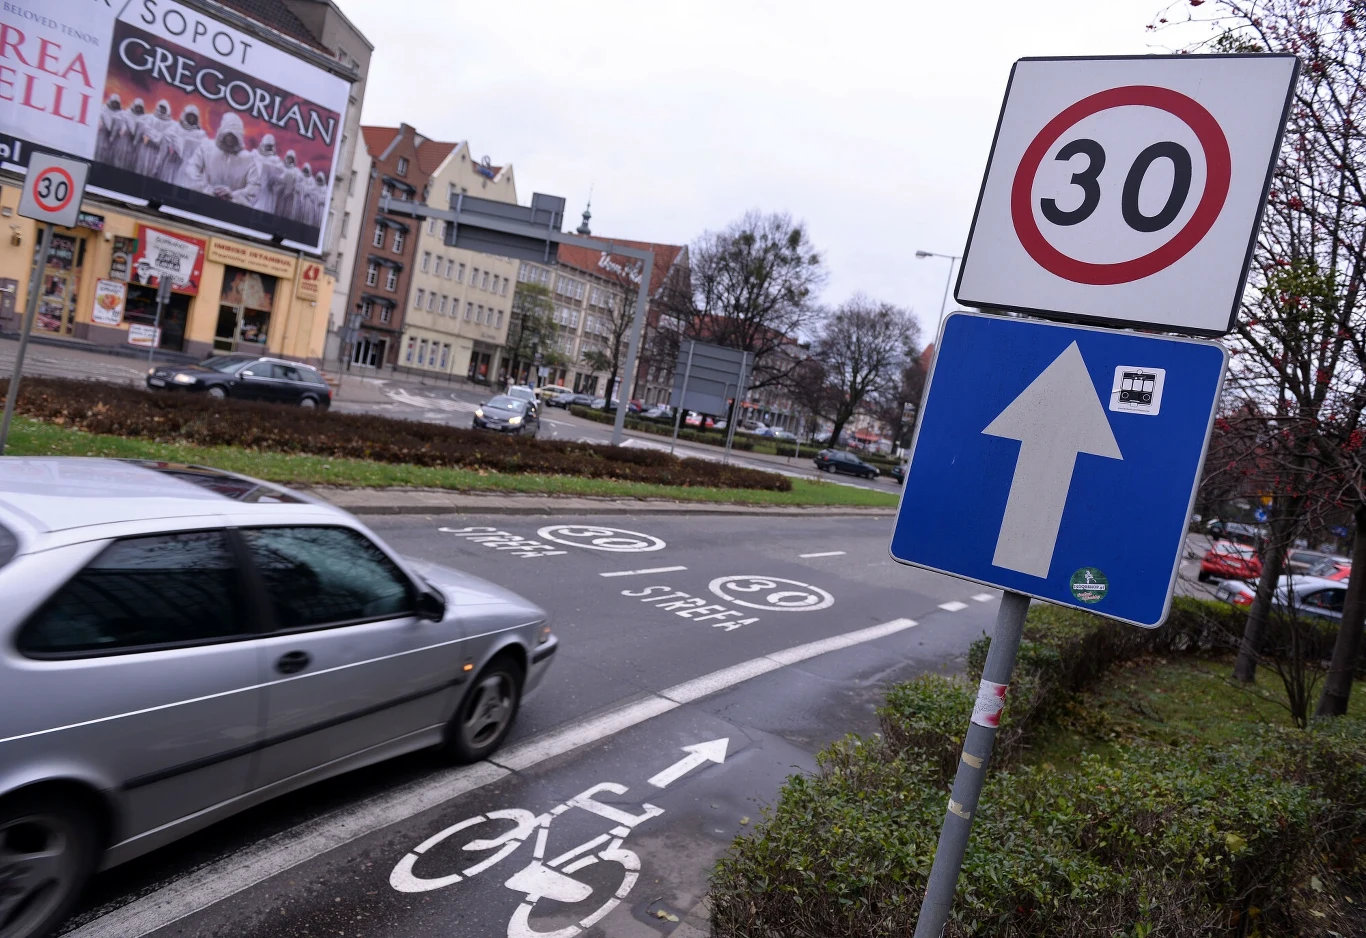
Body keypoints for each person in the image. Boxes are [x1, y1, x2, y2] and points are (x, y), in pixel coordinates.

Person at [182, 112, 261, 205]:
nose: (230, 139)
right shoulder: (207, 147)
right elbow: (191, 169)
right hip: (202, 203)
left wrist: (233, 195)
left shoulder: (247, 158)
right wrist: (207, 190)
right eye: (228, 135)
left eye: (234, 136)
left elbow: (255, 187)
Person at [162, 105, 207, 185]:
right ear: (185, 115)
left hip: (188, 165)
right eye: (189, 116)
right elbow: (167, 135)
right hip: (173, 162)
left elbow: (203, 147)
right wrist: (178, 144)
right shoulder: (176, 127)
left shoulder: (200, 133)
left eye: (193, 117)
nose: (191, 119)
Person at [135, 100, 175, 178]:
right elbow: (143, 127)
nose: (161, 110)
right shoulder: (149, 117)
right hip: (146, 148)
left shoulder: (171, 124)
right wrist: (159, 137)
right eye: (160, 108)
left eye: (164, 108)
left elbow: (168, 137)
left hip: (159, 151)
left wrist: (156, 137)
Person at [252, 134, 285, 214]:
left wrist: (275, 181)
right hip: (254, 187)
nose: (268, 148)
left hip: (267, 192)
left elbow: (281, 176)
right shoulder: (255, 155)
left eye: (270, 146)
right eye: (267, 146)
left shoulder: (276, 161)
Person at [94, 95, 131, 165]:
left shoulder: (121, 113)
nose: (115, 104)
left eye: (116, 103)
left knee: (111, 155)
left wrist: (121, 131)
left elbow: (124, 124)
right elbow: (99, 119)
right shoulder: (103, 108)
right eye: (114, 102)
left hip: (115, 137)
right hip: (103, 134)